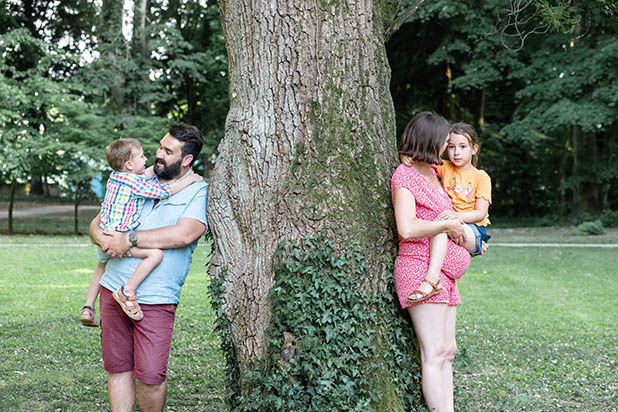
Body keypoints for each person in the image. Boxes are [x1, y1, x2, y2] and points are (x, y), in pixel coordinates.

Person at [89, 123, 208, 412]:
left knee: (152, 377)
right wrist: (105, 239)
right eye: (159, 146)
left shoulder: (197, 189)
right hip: (112, 289)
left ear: (187, 159)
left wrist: (127, 239)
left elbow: (184, 234)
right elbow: (97, 222)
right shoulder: (139, 179)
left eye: (168, 151)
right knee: (118, 368)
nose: (159, 154)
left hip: (155, 298)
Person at [392, 112, 471, 412]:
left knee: (448, 351)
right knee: (434, 353)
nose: (446, 147)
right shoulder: (404, 175)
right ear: (430, 141)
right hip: (419, 267)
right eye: (443, 142)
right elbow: (407, 228)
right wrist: (445, 226)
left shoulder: (434, 173)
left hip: (445, 275)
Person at [81, 138, 202, 325]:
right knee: (155, 255)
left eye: (166, 151)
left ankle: (88, 306)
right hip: (116, 241)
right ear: (129, 164)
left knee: (100, 267)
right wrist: (191, 180)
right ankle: (128, 291)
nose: (150, 158)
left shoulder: (116, 177)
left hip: (108, 233)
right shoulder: (136, 185)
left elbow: (144, 173)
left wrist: (157, 166)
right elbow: (165, 192)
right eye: (142, 156)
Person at [406, 122, 491, 303]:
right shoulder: (444, 167)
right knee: (441, 226)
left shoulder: (481, 177)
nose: (456, 152)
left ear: (474, 149)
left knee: (441, 227)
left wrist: (455, 217)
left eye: (462, 147)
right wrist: (405, 155)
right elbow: (420, 160)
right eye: (451, 147)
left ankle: (431, 279)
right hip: (454, 224)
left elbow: (480, 213)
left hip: (474, 229)